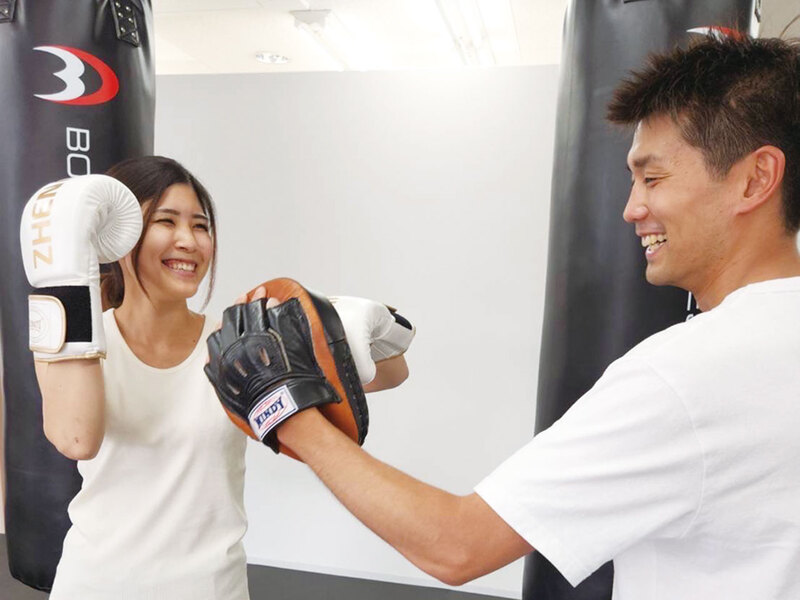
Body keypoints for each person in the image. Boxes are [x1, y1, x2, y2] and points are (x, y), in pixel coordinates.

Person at [237, 35, 800, 598]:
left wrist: (285, 410)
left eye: (652, 178)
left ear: (755, 178)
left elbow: (456, 545)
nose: (632, 208)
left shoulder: (682, 377)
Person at [21, 156, 409, 600]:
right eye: (166, 221)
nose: (189, 241)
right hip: (96, 586)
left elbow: (391, 372)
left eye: (201, 226)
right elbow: (77, 440)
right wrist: (68, 280)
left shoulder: (236, 343)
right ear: (120, 232)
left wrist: (364, 326)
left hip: (210, 588)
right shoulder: (74, 343)